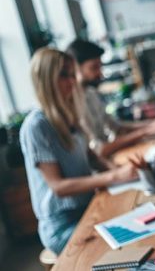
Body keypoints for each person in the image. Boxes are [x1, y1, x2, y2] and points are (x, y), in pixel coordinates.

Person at [20, 48, 143, 254]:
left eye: (71, 74)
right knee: (127, 244)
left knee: (137, 222)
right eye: (63, 75)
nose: (72, 81)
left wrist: (123, 172)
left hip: (88, 209)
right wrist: (114, 176)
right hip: (63, 226)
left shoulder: (69, 115)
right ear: (46, 79)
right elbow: (58, 187)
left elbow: (93, 158)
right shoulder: (36, 125)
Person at [66, 39, 155, 157]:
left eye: (100, 66)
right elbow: (99, 150)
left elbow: (115, 127)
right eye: (94, 68)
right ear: (75, 68)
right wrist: (144, 132)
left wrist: (151, 124)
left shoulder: (91, 93)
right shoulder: (72, 105)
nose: (100, 74)